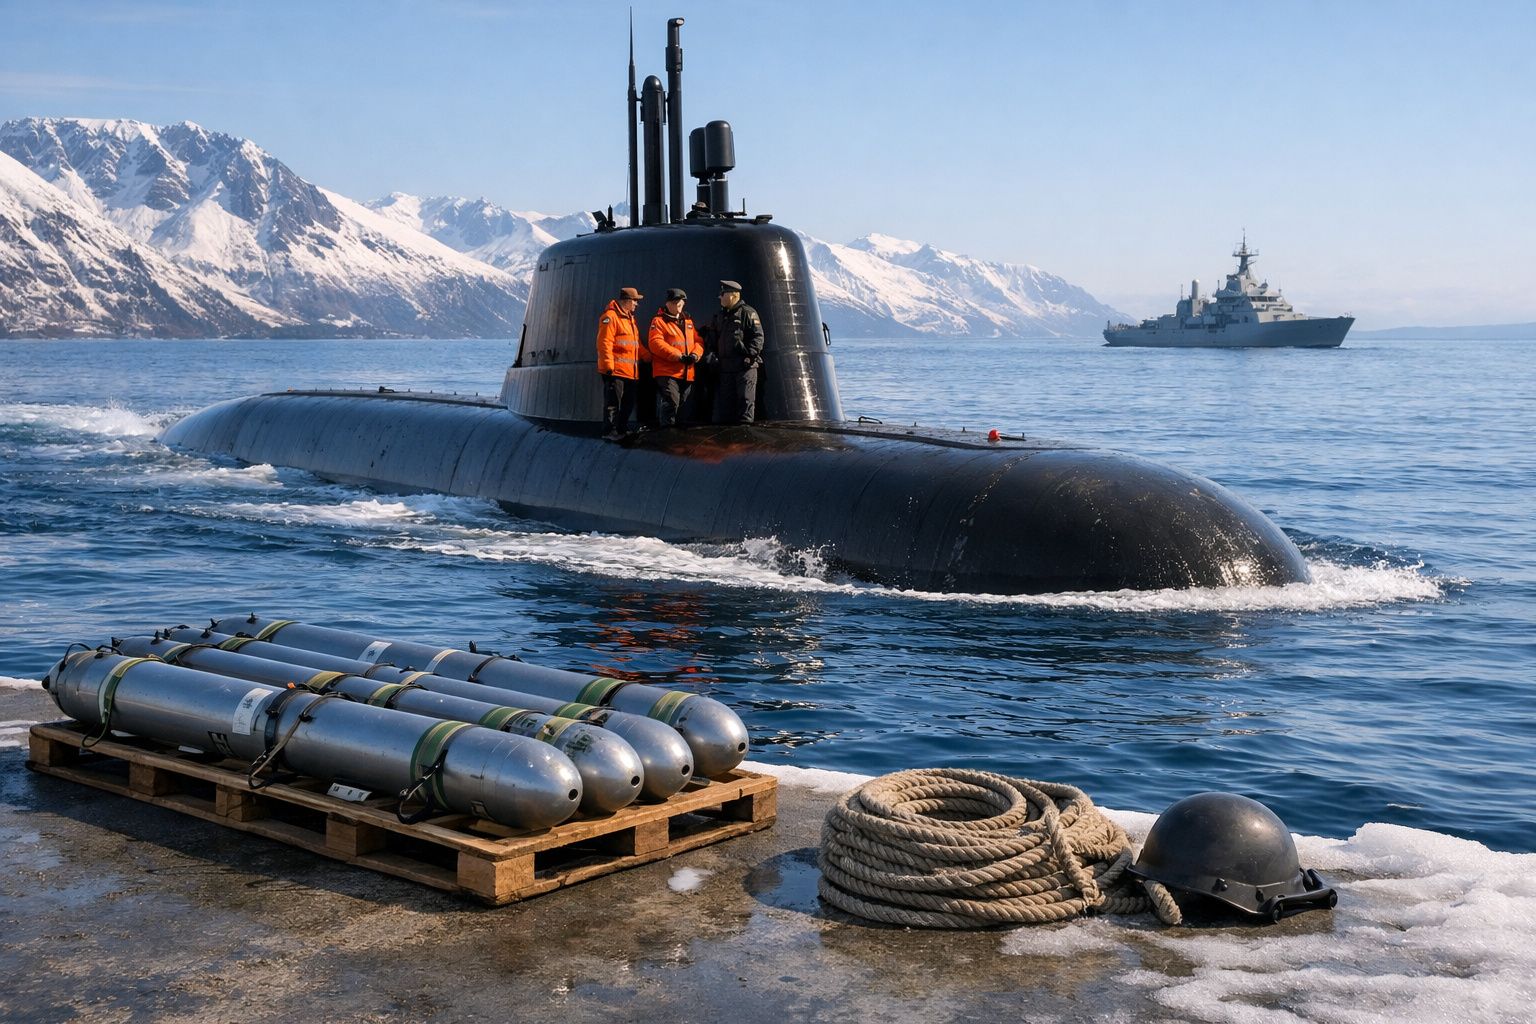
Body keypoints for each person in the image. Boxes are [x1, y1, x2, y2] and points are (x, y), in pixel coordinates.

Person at [704, 279, 764, 424]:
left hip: (744, 367)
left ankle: (745, 433)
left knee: (745, 401)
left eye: (723, 293)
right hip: (725, 368)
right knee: (726, 405)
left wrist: (750, 356)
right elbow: (712, 339)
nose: (720, 297)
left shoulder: (747, 313)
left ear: (733, 295)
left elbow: (758, 336)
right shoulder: (719, 316)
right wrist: (711, 356)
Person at [646, 288, 702, 428]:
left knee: (684, 404)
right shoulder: (658, 321)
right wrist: (679, 356)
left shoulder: (688, 321)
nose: (678, 308)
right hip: (667, 371)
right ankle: (667, 430)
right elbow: (655, 343)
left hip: (687, 372)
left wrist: (695, 355)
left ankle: (678, 432)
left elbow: (698, 341)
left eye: (681, 305)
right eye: (676, 304)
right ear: (668, 304)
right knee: (672, 401)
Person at [595, 286, 643, 439]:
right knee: (613, 403)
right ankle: (609, 431)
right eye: (635, 301)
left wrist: (648, 356)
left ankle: (621, 428)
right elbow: (604, 342)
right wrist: (608, 365)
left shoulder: (629, 319)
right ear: (627, 301)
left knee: (628, 403)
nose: (637, 304)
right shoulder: (610, 317)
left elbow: (636, 344)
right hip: (615, 370)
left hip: (630, 371)